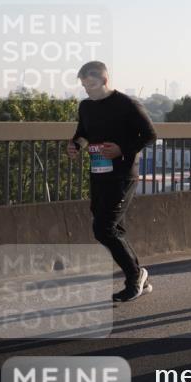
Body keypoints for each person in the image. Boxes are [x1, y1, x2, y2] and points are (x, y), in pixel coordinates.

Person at [68, 61, 157, 302]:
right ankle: (140, 278)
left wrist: (121, 149)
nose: (88, 90)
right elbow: (83, 134)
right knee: (112, 227)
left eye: (92, 85)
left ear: (105, 80)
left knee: (104, 228)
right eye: (84, 86)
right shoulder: (86, 106)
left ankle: (135, 277)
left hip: (123, 175)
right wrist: (75, 145)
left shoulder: (127, 104)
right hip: (98, 173)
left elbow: (150, 135)